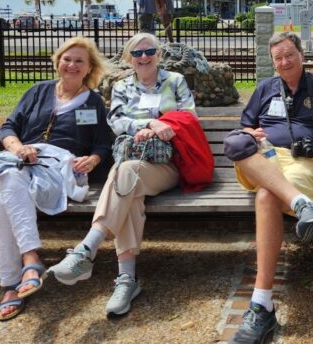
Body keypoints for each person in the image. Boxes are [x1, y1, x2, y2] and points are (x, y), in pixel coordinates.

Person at [48, 32, 213, 318]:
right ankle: (126, 279)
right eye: (137, 53)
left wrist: (160, 127)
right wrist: (148, 124)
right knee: (128, 184)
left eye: (149, 51)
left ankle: (87, 250)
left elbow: (189, 118)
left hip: (167, 164)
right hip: (132, 164)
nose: (144, 57)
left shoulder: (175, 81)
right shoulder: (122, 86)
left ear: (158, 54)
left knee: (124, 174)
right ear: (128, 58)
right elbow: (116, 121)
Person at [0, 36, 112, 321]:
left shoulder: (92, 102)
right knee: (10, 180)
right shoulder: (37, 91)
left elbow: (103, 144)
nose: (72, 65)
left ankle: (12, 282)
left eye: (79, 61)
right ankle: (28, 264)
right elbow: (8, 127)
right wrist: (19, 148)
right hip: (22, 161)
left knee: (5, 196)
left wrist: (92, 160)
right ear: (57, 62)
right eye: (67, 59)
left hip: (59, 168)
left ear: (89, 67)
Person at [222, 32, 313, 344]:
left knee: (266, 195)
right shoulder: (265, 88)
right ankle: (301, 204)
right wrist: (251, 133)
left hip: (305, 164)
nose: (284, 62)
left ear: (301, 55)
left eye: (289, 55)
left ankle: (261, 304)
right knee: (236, 143)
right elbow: (245, 126)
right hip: (265, 159)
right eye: (278, 58)